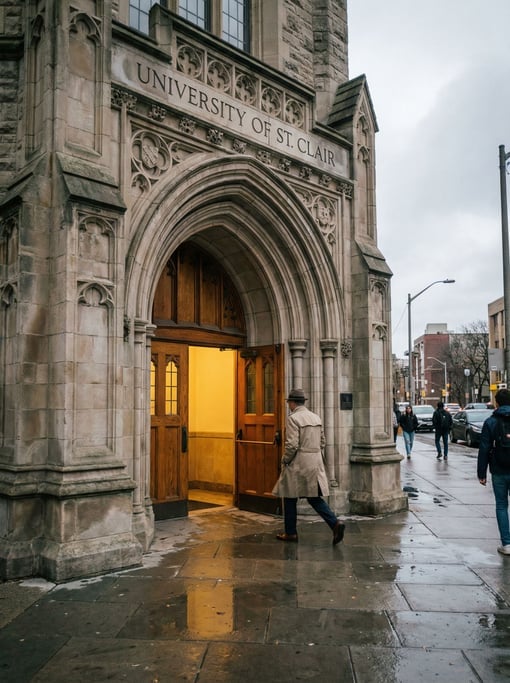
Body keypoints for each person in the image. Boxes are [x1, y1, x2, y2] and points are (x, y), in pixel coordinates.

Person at [272, 388, 345, 544]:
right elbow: (323, 442)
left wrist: (285, 460)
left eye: (289, 403)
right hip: (315, 462)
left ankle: (291, 533)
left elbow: (292, 444)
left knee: (289, 496)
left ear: (292, 403)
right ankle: (335, 523)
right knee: (313, 497)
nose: (289, 406)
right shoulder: (315, 417)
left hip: (298, 463)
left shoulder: (293, 418)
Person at [477, 388, 510, 556]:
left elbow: (484, 448)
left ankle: (507, 544)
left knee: (502, 505)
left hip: (498, 469)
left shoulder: (490, 422)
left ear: (496, 402)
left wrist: (481, 473)